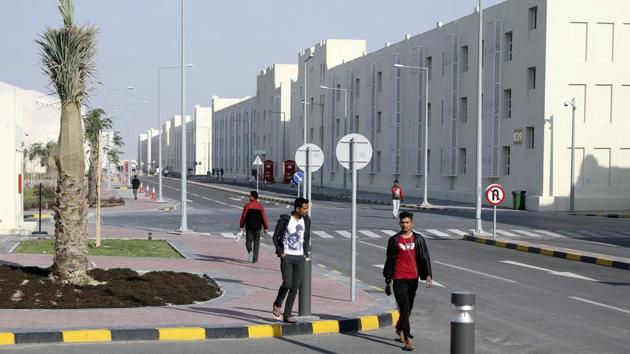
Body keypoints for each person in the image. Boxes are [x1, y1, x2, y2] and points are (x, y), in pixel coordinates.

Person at [383, 211, 432, 351]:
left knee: (408, 308)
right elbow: (390, 261)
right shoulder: (394, 240)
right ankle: (407, 338)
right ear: (399, 223)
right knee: (404, 308)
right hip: (399, 279)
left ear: (412, 223)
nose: (404, 225)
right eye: (402, 222)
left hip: (413, 279)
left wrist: (428, 275)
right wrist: (387, 281)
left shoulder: (419, 239)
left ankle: (399, 328)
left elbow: (425, 257)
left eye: (407, 222)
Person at [271, 197, 311, 323]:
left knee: (295, 288)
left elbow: (306, 237)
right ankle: (277, 303)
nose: (306, 210)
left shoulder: (306, 220)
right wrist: (280, 252)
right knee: (287, 284)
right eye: (304, 208)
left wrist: (304, 254)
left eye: (307, 208)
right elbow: (275, 236)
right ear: (297, 208)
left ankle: (287, 315)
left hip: (300, 258)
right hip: (287, 257)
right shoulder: (285, 220)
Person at [239, 191, 269, 263]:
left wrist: (241, 225)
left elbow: (244, 216)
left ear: (252, 197)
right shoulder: (260, 207)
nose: (249, 196)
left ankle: (250, 251)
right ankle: (255, 259)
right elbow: (263, 217)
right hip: (258, 228)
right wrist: (266, 227)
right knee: (257, 243)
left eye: (249, 195)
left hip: (249, 227)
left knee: (248, 242)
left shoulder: (247, 206)